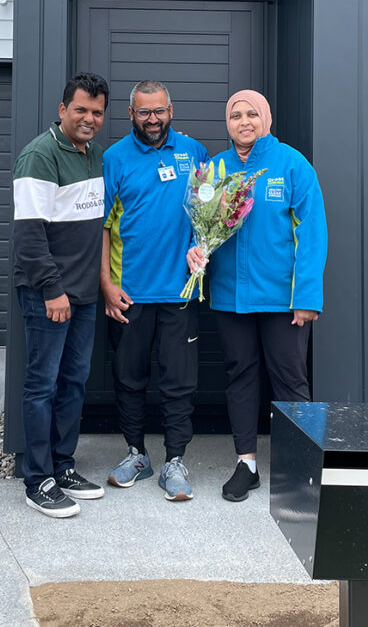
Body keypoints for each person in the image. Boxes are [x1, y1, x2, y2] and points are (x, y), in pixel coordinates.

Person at [187, 89, 327, 502]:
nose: (243, 121)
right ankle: (245, 464)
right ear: (227, 123)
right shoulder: (213, 169)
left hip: (282, 299)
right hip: (231, 297)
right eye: (235, 115)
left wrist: (306, 296)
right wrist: (196, 251)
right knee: (240, 377)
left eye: (252, 114)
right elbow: (201, 228)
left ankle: (300, 468)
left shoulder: (292, 165)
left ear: (266, 118)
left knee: (290, 380)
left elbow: (312, 233)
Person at [101, 80, 209, 501]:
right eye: (144, 112)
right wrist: (107, 286)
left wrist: (201, 247)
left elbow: (206, 215)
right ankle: (136, 455)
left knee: (179, 381)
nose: (152, 119)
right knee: (129, 378)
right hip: (129, 295)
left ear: (170, 110)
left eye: (159, 110)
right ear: (130, 114)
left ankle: (175, 461)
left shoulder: (193, 153)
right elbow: (102, 227)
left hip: (179, 292)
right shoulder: (114, 158)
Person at [11, 72, 110, 518]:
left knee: (73, 383)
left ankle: (63, 465)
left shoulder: (93, 157)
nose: (89, 118)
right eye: (81, 109)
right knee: (42, 385)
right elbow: (29, 236)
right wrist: (53, 290)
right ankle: (37, 479)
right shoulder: (40, 155)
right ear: (62, 110)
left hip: (84, 295)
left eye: (97, 112)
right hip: (48, 294)